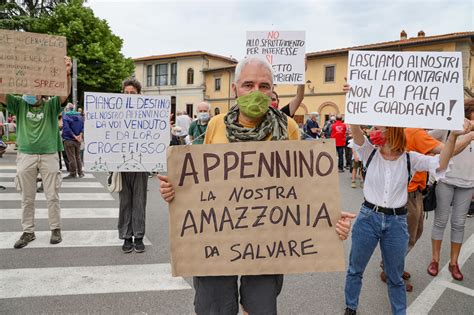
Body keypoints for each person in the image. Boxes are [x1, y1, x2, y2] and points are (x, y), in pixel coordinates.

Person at [159, 57, 355, 315]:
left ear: (272, 90)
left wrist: (330, 217)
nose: (256, 92)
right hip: (216, 238)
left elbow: (307, 186)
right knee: (214, 308)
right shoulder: (216, 126)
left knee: (259, 308)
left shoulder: (288, 128)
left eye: (264, 86)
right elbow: (199, 182)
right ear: (235, 90)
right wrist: (175, 191)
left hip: (268, 241)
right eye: (248, 85)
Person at [344, 119, 470, 315]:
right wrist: (354, 100)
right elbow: (355, 130)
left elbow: (441, 162)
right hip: (368, 218)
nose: (372, 131)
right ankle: (351, 307)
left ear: (392, 131)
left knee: (395, 277)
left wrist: (453, 136)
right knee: (355, 269)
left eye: (377, 128)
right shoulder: (370, 152)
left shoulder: (410, 158)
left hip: (396, 222)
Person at [0, 56, 72, 248]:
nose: (30, 91)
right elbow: (1, 95)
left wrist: (66, 73)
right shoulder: (19, 104)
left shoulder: (51, 105)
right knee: (27, 197)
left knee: (52, 195)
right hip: (26, 154)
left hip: (49, 154)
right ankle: (28, 231)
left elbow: (64, 95)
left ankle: (55, 229)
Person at [427, 99, 474, 281]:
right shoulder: (449, 127)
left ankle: (454, 263)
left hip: (468, 183)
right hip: (446, 181)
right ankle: (435, 260)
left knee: (459, 224)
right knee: (440, 221)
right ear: (468, 112)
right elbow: (426, 139)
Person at [116, 78, 149, 253]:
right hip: (122, 164)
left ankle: (139, 235)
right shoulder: (114, 113)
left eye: (133, 93)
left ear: (139, 95)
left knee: (139, 201)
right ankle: (126, 236)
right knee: (125, 202)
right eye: (126, 93)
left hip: (140, 164)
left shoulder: (147, 113)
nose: (129, 96)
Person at [62, 103, 84, 179]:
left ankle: (73, 173)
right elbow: (82, 127)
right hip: (78, 140)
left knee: (71, 157)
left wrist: (74, 136)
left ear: (67, 109)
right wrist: (79, 136)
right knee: (78, 157)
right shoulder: (80, 116)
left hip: (69, 139)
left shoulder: (66, 116)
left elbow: (66, 129)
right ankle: (80, 172)